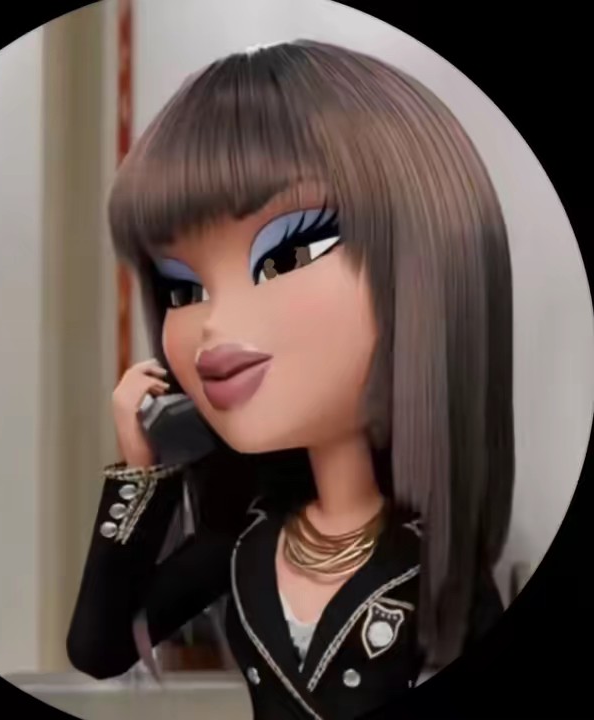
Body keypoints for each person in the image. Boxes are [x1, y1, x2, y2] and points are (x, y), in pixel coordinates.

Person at [66, 39, 514, 720]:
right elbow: (100, 647)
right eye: (184, 288)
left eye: (288, 254)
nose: (214, 325)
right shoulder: (245, 543)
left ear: (428, 265)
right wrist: (139, 469)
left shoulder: (437, 567)